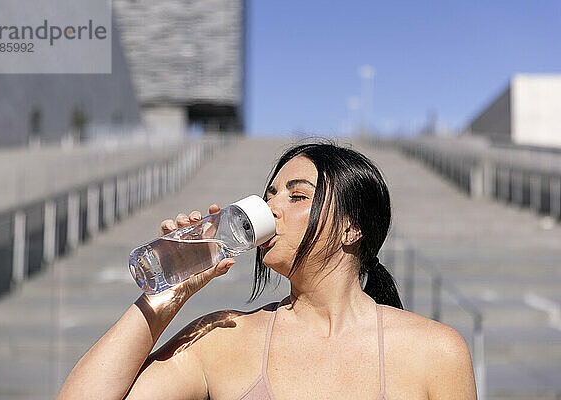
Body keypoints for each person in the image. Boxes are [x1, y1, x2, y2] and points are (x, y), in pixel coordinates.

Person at [58, 140, 478, 400]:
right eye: (269, 195)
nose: (271, 208)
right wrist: (166, 295)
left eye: (297, 197)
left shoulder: (436, 352)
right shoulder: (222, 339)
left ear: (352, 228)